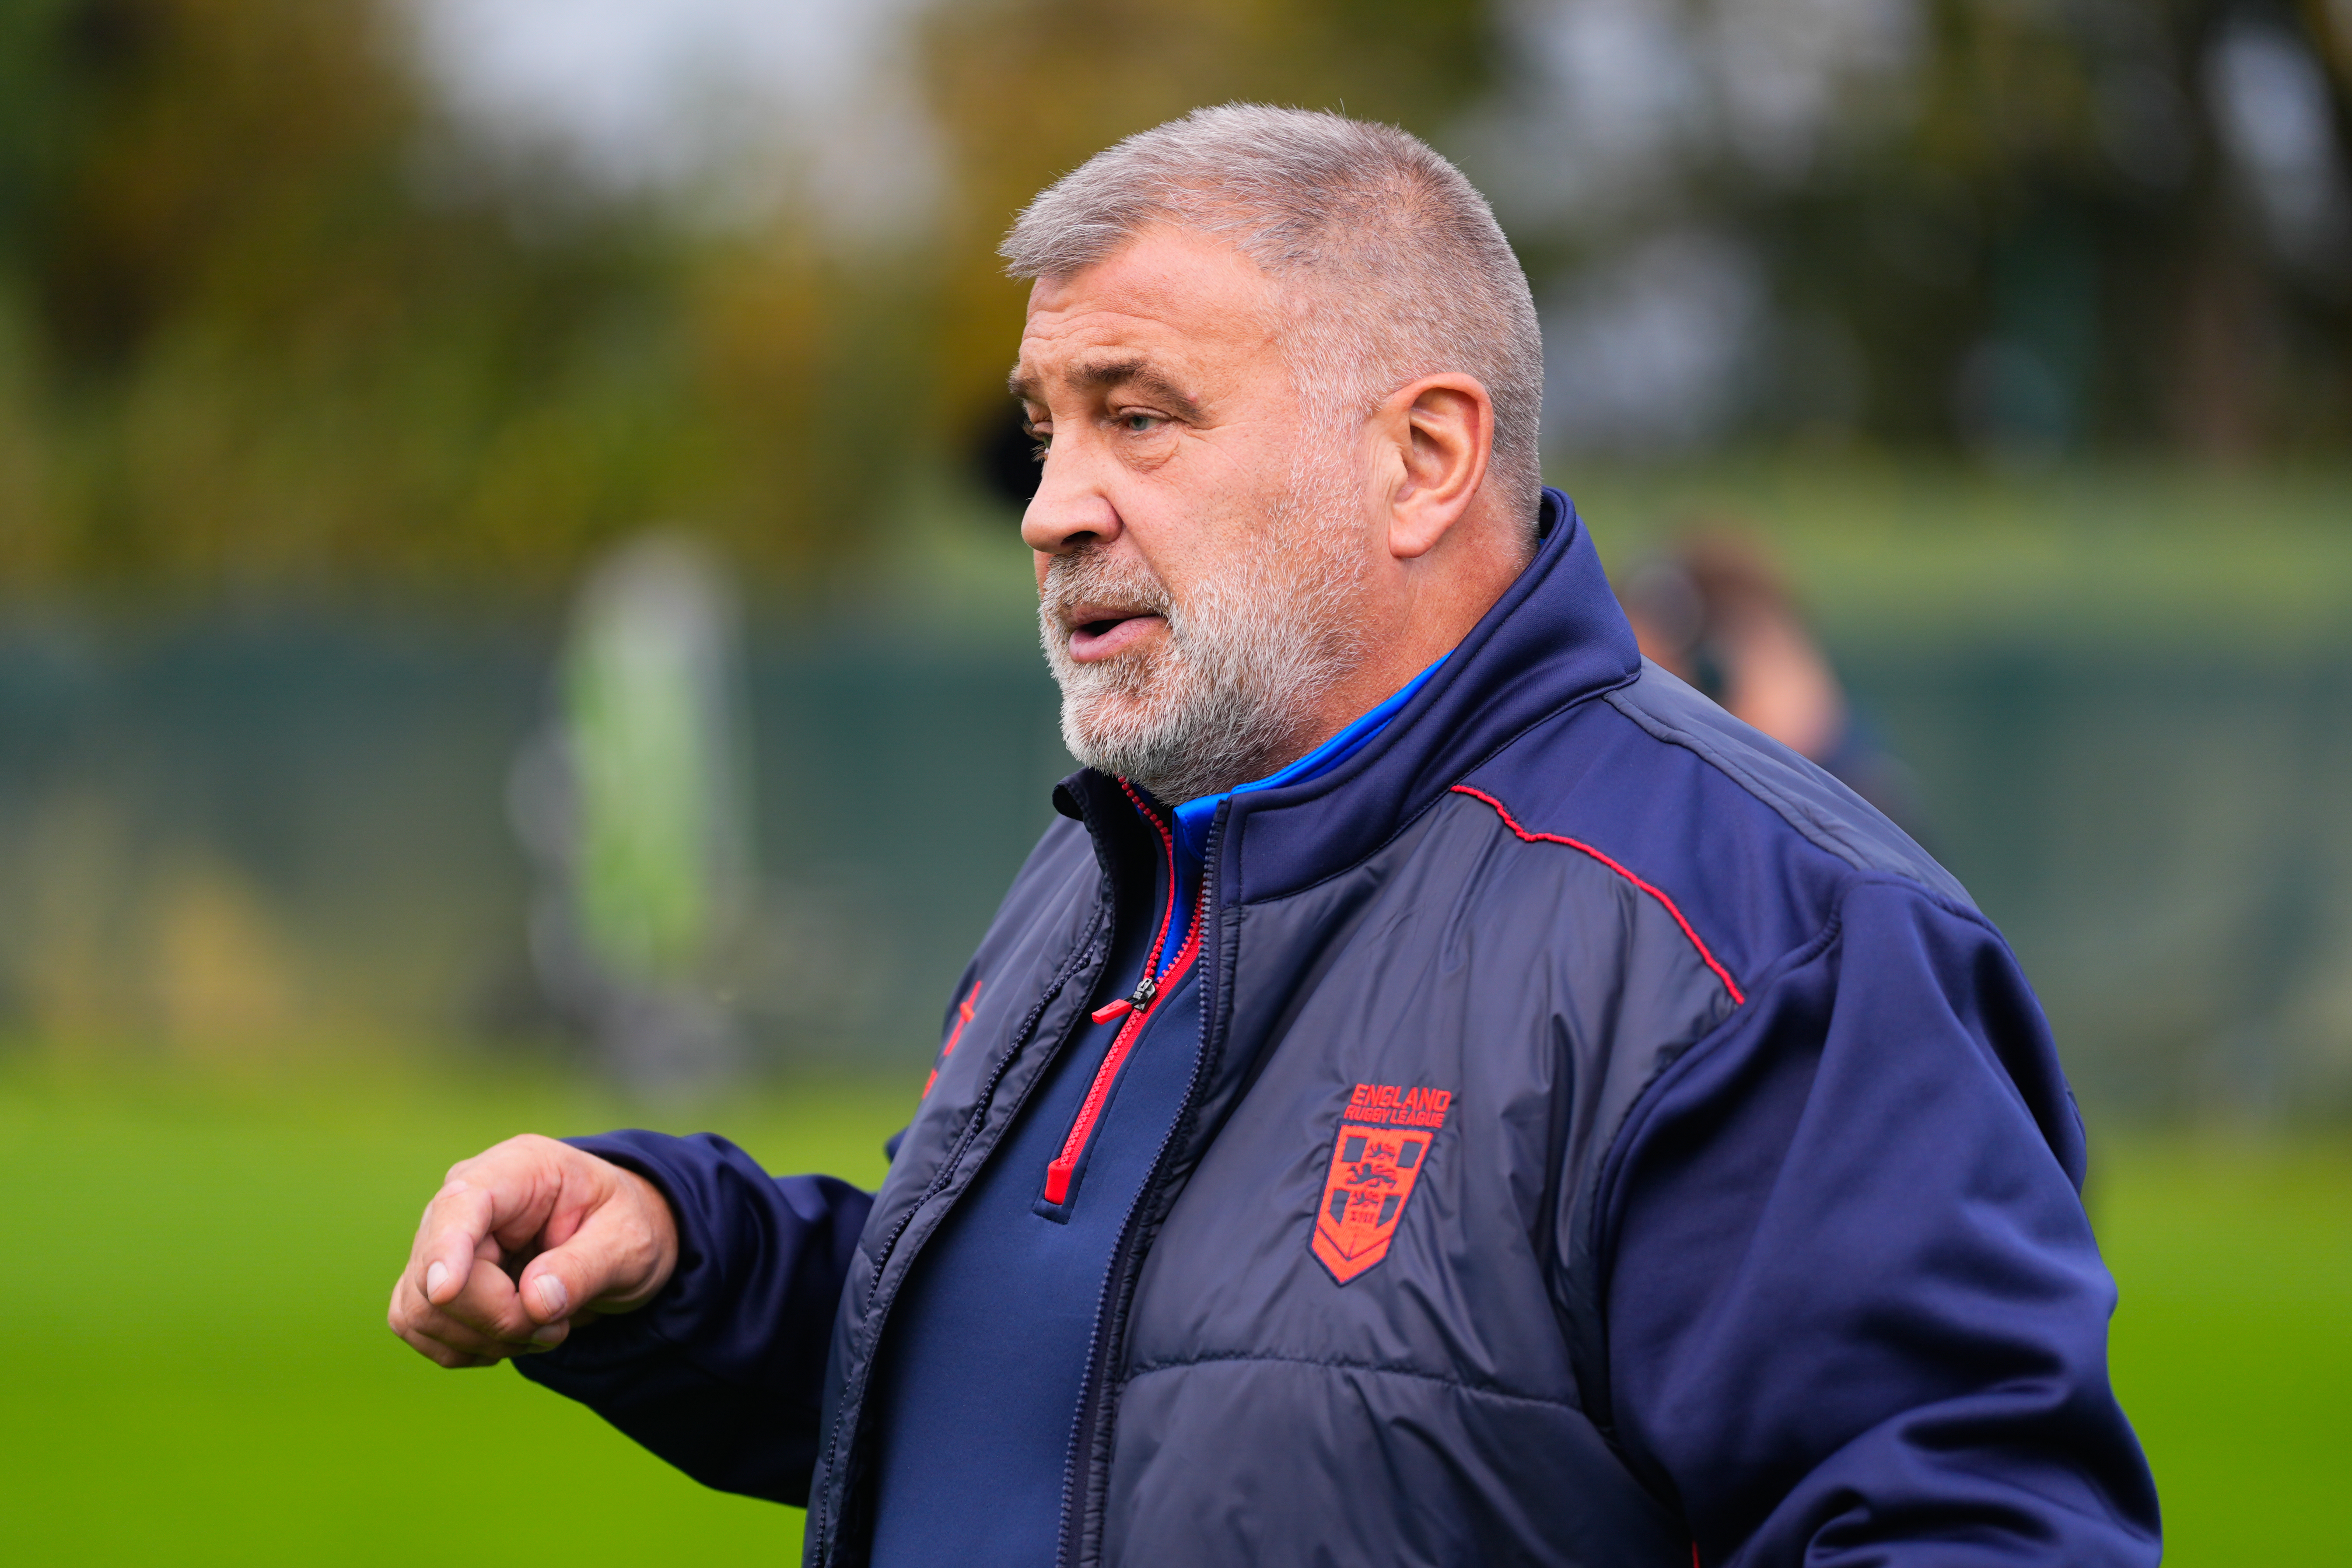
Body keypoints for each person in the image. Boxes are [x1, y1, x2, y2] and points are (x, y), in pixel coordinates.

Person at [388, 106, 2159, 1567]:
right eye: (1045, 427)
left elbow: (1964, 1525)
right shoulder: (1111, 872)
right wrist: (688, 1260)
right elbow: (1104, 1372)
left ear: (1424, 457)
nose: (1053, 507)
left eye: (1137, 415)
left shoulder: (1757, 939)